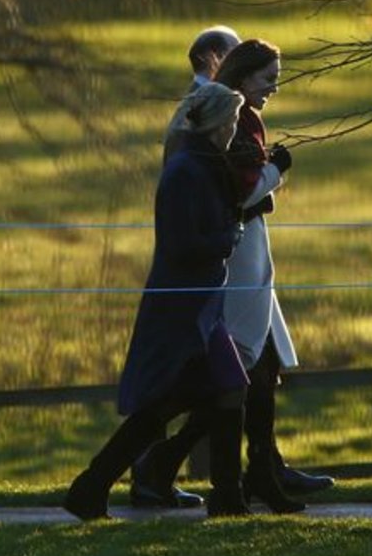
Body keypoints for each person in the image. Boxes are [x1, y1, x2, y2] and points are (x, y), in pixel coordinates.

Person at [133, 38, 335, 513]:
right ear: (239, 73)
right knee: (234, 374)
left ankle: (255, 472)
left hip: (244, 258)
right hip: (234, 259)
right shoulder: (223, 119)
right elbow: (234, 193)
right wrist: (275, 174)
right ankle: (160, 465)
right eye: (268, 79)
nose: (273, 89)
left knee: (254, 372)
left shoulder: (228, 116)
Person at [63, 81, 252, 520]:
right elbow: (181, 244)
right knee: (165, 403)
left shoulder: (201, 164)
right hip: (182, 309)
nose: (234, 130)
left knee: (228, 387)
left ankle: (226, 498)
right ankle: (93, 486)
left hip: (203, 306)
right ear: (216, 123)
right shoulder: (185, 170)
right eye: (232, 122)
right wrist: (230, 236)